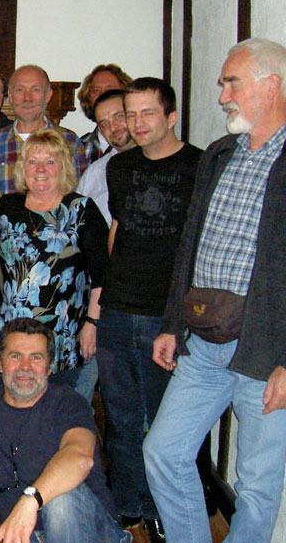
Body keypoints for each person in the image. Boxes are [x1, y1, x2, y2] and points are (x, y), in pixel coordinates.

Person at [144, 37, 286, 543]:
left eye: (232, 83)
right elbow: (191, 245)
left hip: (267, 353)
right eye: (223, 83)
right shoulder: (221, 153)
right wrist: (172, 325)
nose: (222, 95)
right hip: (205, 342)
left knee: (258, 486)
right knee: (163, 452)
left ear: (271, 87)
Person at [96, 77, 202, 542]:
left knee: (164, 426)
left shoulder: (201, 166)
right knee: (119, 419)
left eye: (147, 114)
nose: (135, 124)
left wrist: (183, 319)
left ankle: (164, 510)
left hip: (168, 316)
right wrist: (99, 308)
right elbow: (117, 232)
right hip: (118, 310)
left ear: (171, 117)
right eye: (129, 114)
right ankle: (127, 507)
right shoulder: (119, 167)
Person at [0, 128, 108, 402]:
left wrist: (93, 323)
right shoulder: (6, 206)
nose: (40, 169)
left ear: (63, 167)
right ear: (22, 168)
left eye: (50, 161)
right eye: (32, 161)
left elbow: (102, 275)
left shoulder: (82, 210)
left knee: (53, 419)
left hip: (59, 340)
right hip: (2, 338)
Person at [0, 318, 129, 543]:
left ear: (50, 367)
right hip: (27, 533)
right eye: (15, 356)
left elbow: (80, 458)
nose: (25, 366)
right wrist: (3, 520)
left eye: (36, 357)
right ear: (0, 363)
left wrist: (30, 501)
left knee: (61, 500)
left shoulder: (69, 403)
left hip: (92, 533)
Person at [0, 65, 87, 194]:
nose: (27, 98)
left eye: (35, 90)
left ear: (48, 96)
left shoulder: (69, 141)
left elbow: (80, 195)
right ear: (10, 96)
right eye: (20, 90)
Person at [76, 89, 137, 226]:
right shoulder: (95, 172)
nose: (113, 127)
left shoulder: (158, 161)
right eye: (104, 124)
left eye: (118, 116)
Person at [77, 64, 132, 164]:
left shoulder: (145, 142)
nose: (102, 95)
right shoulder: (79, 147)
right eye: (96, 90)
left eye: (109, 89)